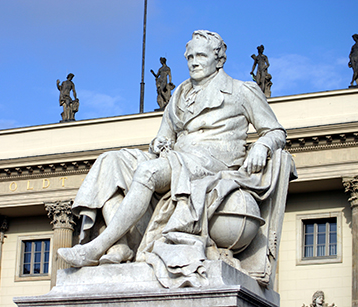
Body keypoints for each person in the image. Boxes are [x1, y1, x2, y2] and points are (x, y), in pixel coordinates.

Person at [58, 31, 286, 278]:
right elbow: (163, 136)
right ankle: (121, 244)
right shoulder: (179, 93)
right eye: (189, 57)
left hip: (212, 162)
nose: (194, 62)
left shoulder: (242, 91)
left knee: (147, 171)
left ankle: (97, 246)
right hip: (178, 158)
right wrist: (160, 144)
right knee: (110, 162)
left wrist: (263, 146)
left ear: (219, 60)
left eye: (201, 55)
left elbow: (275, 131)